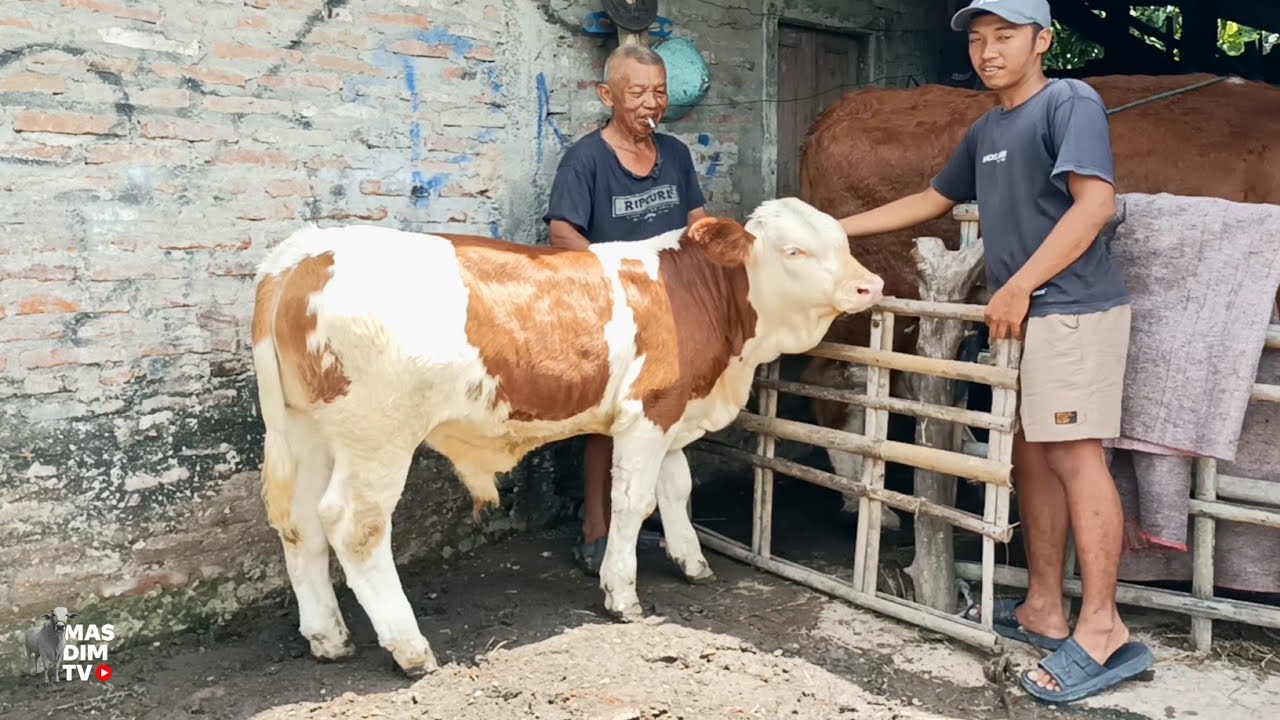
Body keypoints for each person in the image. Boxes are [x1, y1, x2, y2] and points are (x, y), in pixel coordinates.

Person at [836, 0, 1152, 704]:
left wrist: (1020, 286)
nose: (988, 52)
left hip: (1072, 311)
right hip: (1030, 317)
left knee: (1076, 457)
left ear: (1043, 41)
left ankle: (1104, 630)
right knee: (1032, 457)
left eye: (1005, 36)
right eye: (978, 39)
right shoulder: (987, 129)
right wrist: (833, 229)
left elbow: (1095, 204)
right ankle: (1045, 607)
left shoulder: (1069, 102)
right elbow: (931, 199)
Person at [542, 43, 709, 576]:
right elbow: (563, 233)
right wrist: (621, 281)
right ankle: (596, 526)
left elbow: (696, 219)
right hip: (612, 308)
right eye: (636, 92)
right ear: (607, 95)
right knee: (608, 420)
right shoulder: (586, 159)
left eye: (659, 92)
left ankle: (658, 519)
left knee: (667, 415)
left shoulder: (675, 155)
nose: (650, 103)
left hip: (673, 308)